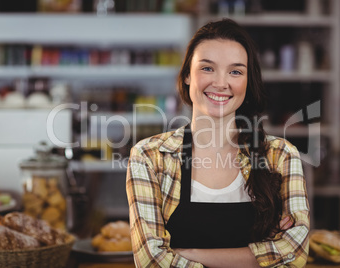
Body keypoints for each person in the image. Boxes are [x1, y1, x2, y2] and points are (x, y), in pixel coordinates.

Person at [126, 18, 309, 267]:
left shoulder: (281, 155)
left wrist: (189, 254)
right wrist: (262, 255)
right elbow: (151, 260)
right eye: (207, 68)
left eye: (235, 71)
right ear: (187, 75)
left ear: (248, 81)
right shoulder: (149, 156)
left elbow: (295, 253)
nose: (221, 83)